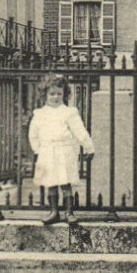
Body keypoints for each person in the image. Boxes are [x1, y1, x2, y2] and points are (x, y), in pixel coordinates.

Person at [28, 75, 96, 226]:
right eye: (52, 94)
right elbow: (33, 133)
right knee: (51, 182)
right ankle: (54, 211)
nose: (55, 97)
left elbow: (80, 131)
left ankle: (69, 212)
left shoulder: (69, 112)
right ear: (44, 95)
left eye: (59, 93)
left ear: (64, 94)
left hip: (64, 150)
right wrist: (38, 150)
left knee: (65, 182)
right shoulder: (40, 114)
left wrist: (88, 147)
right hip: (47, 151)